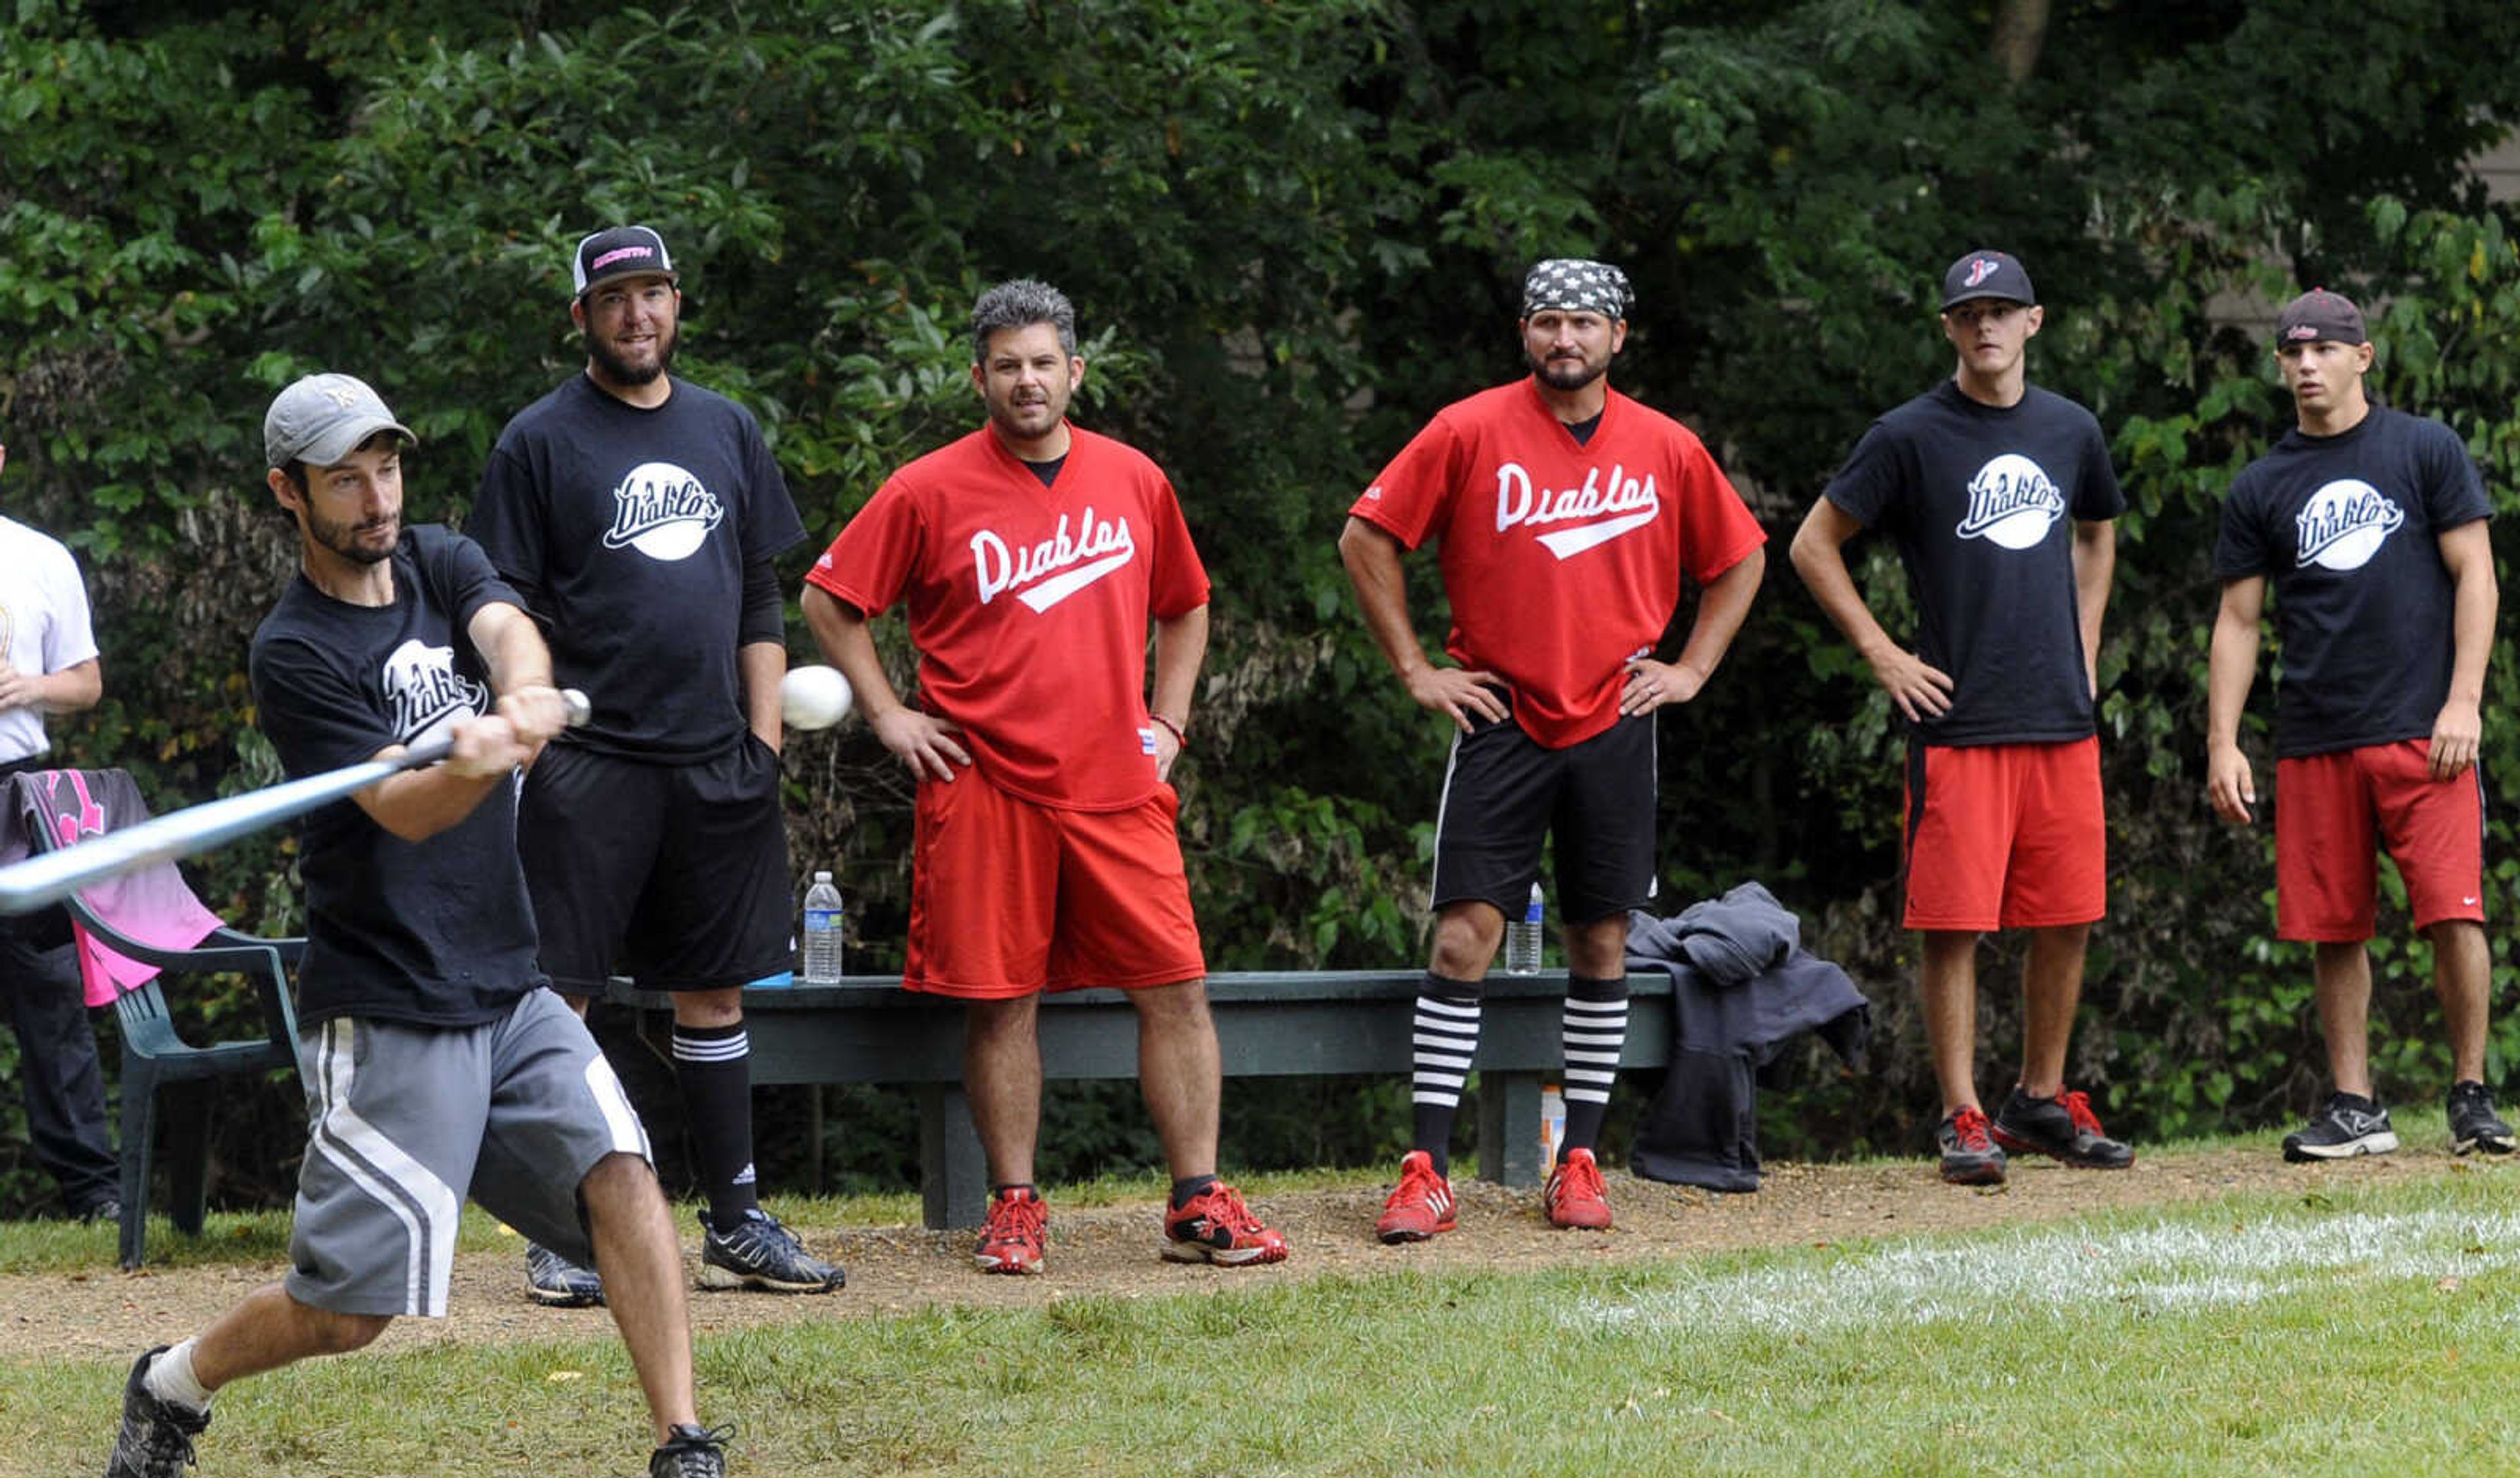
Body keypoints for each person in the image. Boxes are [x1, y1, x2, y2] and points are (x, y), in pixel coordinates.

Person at [102, 374, 739, 1478]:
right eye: (344, 476)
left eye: (385, 467)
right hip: (392, 998)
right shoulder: (292, 652)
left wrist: (528, 695)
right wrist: (475, 759)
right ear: (287, 493)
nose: (376, 494)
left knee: (624, 1175)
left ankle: (683, 1446)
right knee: (350, 1313)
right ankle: (171, 1385)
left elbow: (504, 623)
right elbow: (406, 813)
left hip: (510, 982)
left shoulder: (441, 563)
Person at [799, 278, 1287, 1276]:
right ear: (980, 376)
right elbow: (830, 597)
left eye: (1044, 363)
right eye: (1008, 365)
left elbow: (1186, 605)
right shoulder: (927, 487)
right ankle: (1015, 1205)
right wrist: (889, 712)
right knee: (1002, 1000)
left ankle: (1197, 1200)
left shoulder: (1135, 479)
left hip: (1116, 780)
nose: (1028, 381)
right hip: (984, 782)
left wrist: (1172, 721)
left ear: (1077, 369)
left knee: (1177, 987)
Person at [1339, 257, 1768, 1238]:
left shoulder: (1664, 445)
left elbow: (1740, 557)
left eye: (1583, 323)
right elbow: (1367, 537)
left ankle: (1578, 1158)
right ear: (1523, 335)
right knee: (1462, 937)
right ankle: (1426, 1167)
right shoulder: (1469, 429)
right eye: (1546, 323)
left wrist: (1692, 669)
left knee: (1601, 936)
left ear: (1620, 336)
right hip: (1501, 714)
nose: (1564, 339)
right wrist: (1416, 670)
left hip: (1617, 718)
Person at [468, 226, 840, 1303]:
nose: (639, 315)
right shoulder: (538, 443)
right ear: (581, 316)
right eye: (617, 298)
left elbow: (761, 593)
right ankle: (559, 1231)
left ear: (678, 305)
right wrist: (529, 726)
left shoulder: (725, 427)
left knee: (715, 996)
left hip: (714, 765)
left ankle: (736, 1222)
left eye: (656, 294)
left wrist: (760, 743)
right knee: (562, 1003)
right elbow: (502, 604)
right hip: (589, 768)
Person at [1790, 249, 2133, 1185]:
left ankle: (2039, 1097)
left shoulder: (2070, 429)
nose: (1986, 325)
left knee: (2068, 912)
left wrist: (2086, 645)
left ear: (2035, 321)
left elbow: (2098, 530)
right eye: (1968, 312)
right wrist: (1884, 653)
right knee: (1955, 922)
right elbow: (1814, 544)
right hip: (1959, 717)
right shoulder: (1909, 434)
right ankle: (1963, 1112)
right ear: (1947, 327)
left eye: (2003, 310)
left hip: (2059, 713)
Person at [2206, 288, 2510, 1162]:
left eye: (2324, 350)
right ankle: (2355, 1105)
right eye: (2292, 353)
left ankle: (2471, 1094)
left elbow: (2476, 576)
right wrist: (2224, 740)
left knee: (2455, 912)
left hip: (2425, 730)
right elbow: (2238, 620)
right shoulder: (2264, 483)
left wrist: (2464, 698)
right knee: (2332, 927)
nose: (2306, 365)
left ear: (2362, 357)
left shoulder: (2423, 449)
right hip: (2314, 736)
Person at [0, 439, 119, 1226]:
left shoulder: (39, 557)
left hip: (16, 798)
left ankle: (94, 1192)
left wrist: (26, 684)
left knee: (48, 998)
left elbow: (87, 682)